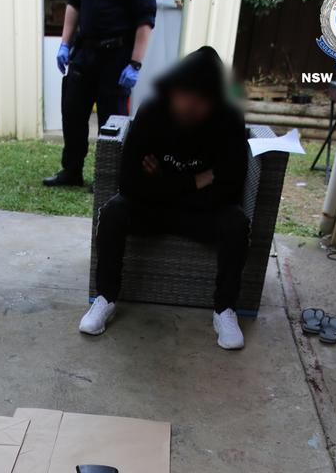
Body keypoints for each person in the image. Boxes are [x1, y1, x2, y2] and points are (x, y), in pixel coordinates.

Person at [79, 47, 250, 350]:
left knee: (236, 223)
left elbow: (230, 189)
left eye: (201, 98)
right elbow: (129, 183)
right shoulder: (153, 111)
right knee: (114, 212)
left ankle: (224, 309)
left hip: (199, 211)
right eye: (184, 94)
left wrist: (162, 180)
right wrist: (196, 181)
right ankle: (105, 298)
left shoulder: (229, 121)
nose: (190, 104)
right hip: (155, 207)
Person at [43, 0, 157, 188]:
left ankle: (108, 177)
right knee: (72, 113)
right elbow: (75, 2)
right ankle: (72, 170)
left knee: (111, 123)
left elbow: (145, 19)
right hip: (84, 52)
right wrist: (65, 43)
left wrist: (135, 63)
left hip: (116, 56)